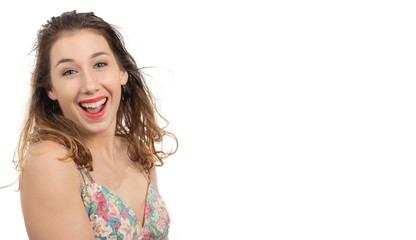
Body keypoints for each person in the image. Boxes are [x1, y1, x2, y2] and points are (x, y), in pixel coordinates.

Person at [16, 10, 177, 240]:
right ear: (51, 89)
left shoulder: (137, 152)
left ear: (122, 72)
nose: (90, 85)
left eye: (99, 64)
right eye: (70, 71)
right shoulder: (51, 161)